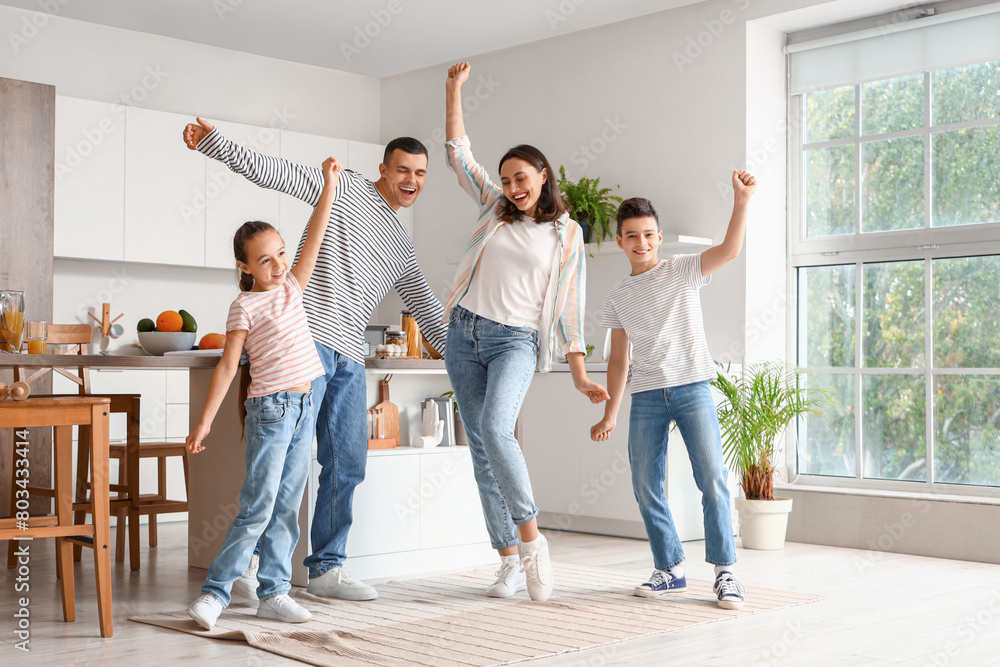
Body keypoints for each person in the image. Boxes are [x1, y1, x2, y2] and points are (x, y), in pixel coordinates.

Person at [183, 119, 447, 602]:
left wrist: (467, 357)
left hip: (350, 356)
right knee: (284, 469)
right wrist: (217, 144)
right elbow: (274, 172)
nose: (412, 180)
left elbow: (427, 307)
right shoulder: (342, 187)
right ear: (383, 169)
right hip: (303, 342)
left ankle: (326, 568)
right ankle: (258, 568)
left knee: (347, 463)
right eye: (403, 170)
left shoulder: (402, 246)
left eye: (422, 173)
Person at [442, 62, 609, 603]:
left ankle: (533, 543)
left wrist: (579, 373)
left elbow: (570, 307)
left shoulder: (567, 234)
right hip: (464, 333)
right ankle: (508, 561)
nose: (514, 187)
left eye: (523, 178)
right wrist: (453, 90)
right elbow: (458, 156)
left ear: (544, 177)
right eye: (507, 178)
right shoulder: (494, 208)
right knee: (481, 451)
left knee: (497, 429)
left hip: (515, 341)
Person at [185, 157, 341, 630]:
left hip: (303, 406)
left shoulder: (294, 286)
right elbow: (230, 365)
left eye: (279, 253)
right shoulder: (243, 306)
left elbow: (317, 231)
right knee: (258, 506)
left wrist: (329, 185)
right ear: (244, 266)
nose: (277, 264)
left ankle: (273, 592)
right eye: (264, 258)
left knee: (289, 505)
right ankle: (215, 593)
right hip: (270, 412)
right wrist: (206, 421)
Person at [590, 173, 756, 610]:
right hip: (646, 395)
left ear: (659, 237)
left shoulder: (682, 270)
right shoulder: (618, 295)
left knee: (713, 480)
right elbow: (619, 360)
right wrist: (610, 413)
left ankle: (725, 573)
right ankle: (671, 568)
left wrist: (741, 200)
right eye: (632, 236)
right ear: (620, 241)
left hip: (692, 388)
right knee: (645, 484)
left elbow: (730, 250)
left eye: (648, 234)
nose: (641, 242)